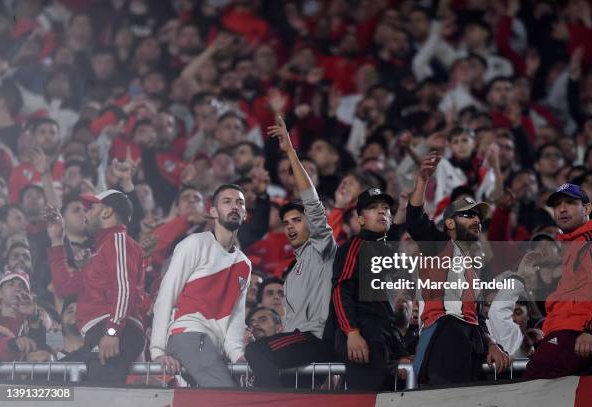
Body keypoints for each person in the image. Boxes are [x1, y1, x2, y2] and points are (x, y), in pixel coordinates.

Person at [245, 117, 336, 388]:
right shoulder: (293, 269)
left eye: (297, 220)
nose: (290, 226)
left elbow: (312, 200)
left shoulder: (322, 247)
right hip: (301, 343)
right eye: (286, 223)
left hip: (315, 340)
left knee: (257, 351)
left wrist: (290, 153)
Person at [405, 152, 510, 386]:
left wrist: (492, 344)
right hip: (444, 334)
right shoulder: (439, 245)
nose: (476, 220)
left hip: (470, 339)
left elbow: (477, 318)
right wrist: (422, 180)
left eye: (478, 216)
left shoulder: (472, 265)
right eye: (468, 215)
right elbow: (415, 222)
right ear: (450, 223)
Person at [150, 184, 251, 388]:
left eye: (240, 203)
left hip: (213, 347)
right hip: (188, 334)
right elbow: (166, 296)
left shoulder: (245, 264)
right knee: (226, 395)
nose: (234, 206)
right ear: (213, 211)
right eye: (227, 201)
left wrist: (238, 356)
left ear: (245, 214)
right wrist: (157, 351)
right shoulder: (194, 244)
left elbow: (235, 319)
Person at [44, 189, 145, 384]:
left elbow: (124, 288)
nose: (85, 214)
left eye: (91, 208)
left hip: (115, 331)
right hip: (99, 334)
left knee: (101, 396)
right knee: (51, 379)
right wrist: (57, 240)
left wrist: (112, 331)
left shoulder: (118, 240)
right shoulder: (101, 251)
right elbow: (65, 287)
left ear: (107, 212)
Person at [524, 183, 592, 379]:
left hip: (579, 332)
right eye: (557, 205)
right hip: (569, 330)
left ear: (587, 209)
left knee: (533, 380)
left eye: (570, 203)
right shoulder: (575, 244)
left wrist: (591, 330)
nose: (562, 209)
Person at [331, 187, 406, 391]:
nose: (382, 211)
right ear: (361, 220)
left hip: (386, 339)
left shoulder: (389, 253)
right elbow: (340, 290)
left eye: (385, 208)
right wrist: (352, 333)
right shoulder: (356, 245)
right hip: (365, 337)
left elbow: (385, 309)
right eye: (373, 208)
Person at [0, 271, 45, 361]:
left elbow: (39, 351)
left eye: (22, 286)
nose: (17, 289)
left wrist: (33, 317)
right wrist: (12, 344)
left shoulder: (34, 321)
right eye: (11, 284)